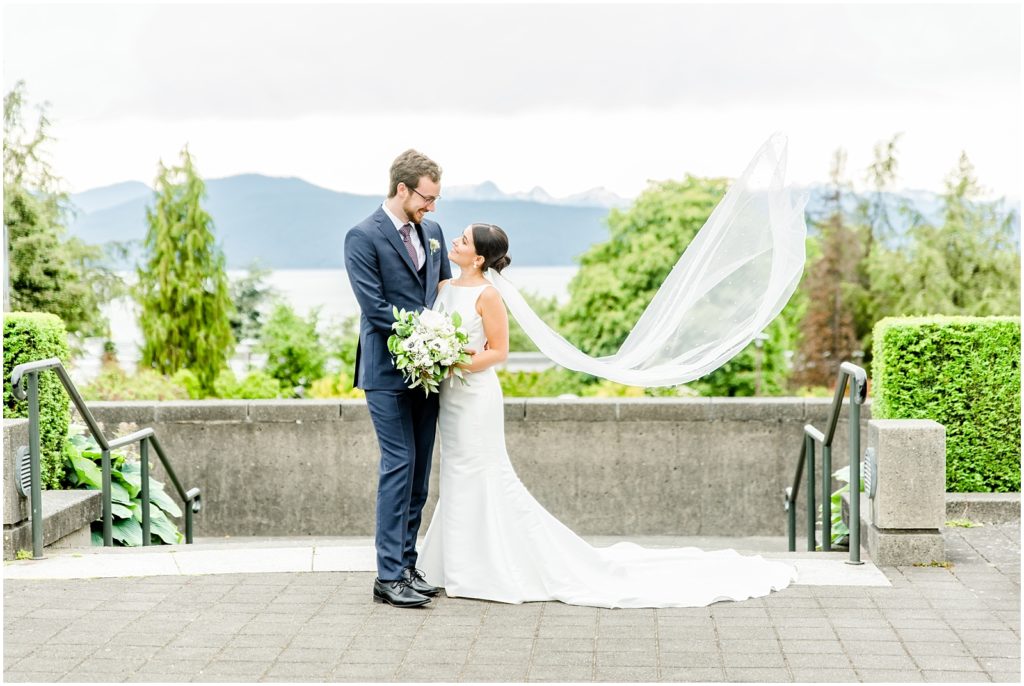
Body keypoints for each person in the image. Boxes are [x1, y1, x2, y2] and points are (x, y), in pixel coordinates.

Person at [417, 223, 797, 608]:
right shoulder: (445, 289)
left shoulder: (489, 295)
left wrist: (451, 361)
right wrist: (431, 355)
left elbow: (498, 352)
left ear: (479, 258)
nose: (455, 242)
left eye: (463, 240)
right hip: (450, 399)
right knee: (454, 471)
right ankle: (455, 562)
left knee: (482, 471)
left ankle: (486, 567)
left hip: (476, 396)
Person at [344, 149, 453, 608]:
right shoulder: (362, 236)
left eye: (436, 199)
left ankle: (407, 566)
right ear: (402, 189)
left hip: (429, 372)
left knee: (421, 473)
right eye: (426, 198)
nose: (432, 207)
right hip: (386, 372)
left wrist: (445, 340)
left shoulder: (434, 233)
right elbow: (374, 308)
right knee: (398, 466)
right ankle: (387, 576)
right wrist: (426, 331)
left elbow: (443, 291)